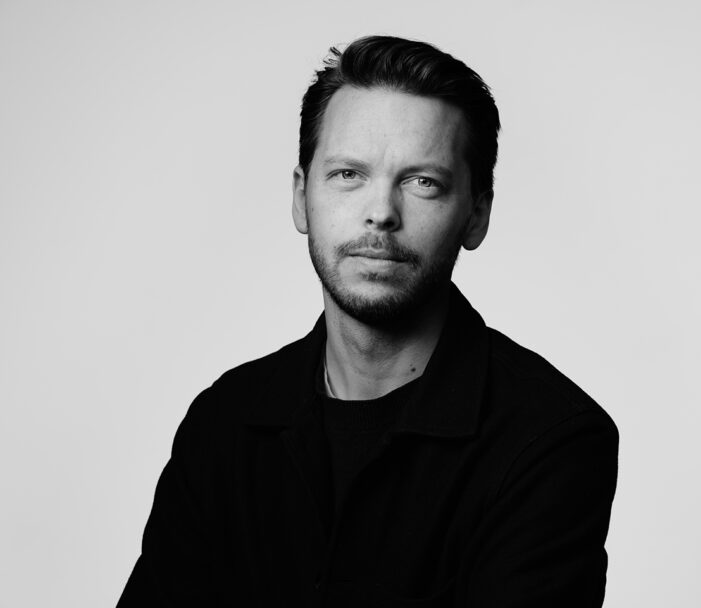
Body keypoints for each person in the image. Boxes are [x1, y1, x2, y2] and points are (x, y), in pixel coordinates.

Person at [118, 35, 619, 607]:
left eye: (422, 181)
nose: (381, 212)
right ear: (302, 197)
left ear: (476, 215)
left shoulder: (551, 439)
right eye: (348, 174)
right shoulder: (224, 421)